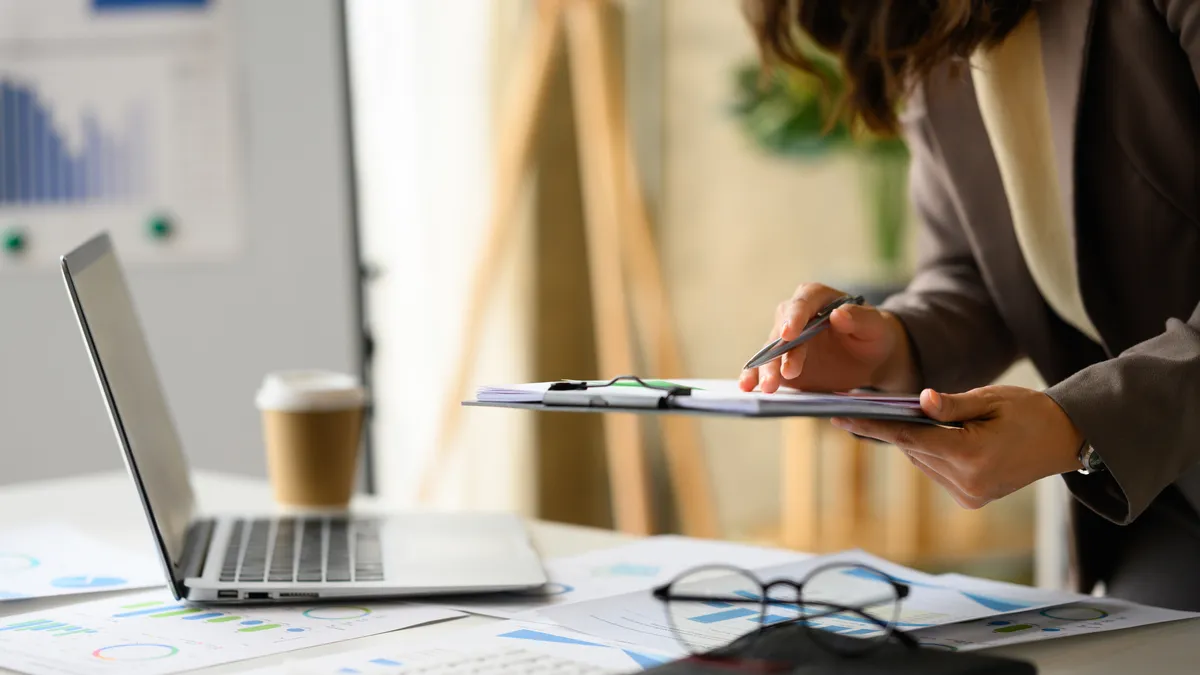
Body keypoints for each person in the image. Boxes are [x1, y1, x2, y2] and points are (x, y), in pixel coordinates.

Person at [737, 0, 1200, 610]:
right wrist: (891, 345)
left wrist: (1084, 423)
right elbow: (971, 268)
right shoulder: (925, 24)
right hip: (1170, 500)